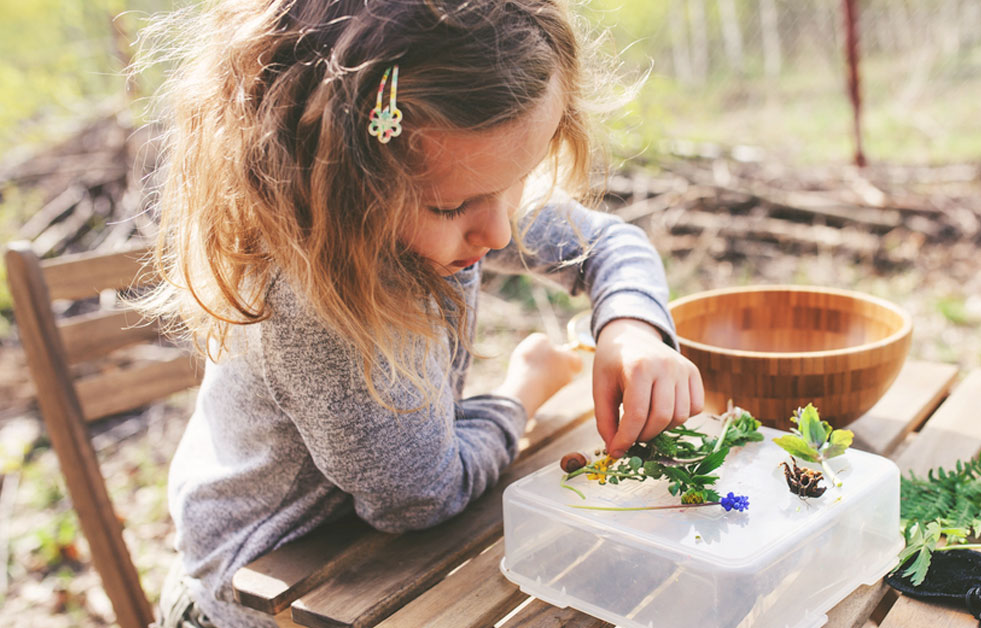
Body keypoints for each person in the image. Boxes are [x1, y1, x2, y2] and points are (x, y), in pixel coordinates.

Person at [136, 0, 704, 626]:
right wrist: (522, 393)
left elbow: (609, 243)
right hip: (268, 597)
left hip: (379, 549)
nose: (497, 230)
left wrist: (634, 328)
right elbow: (420, 498)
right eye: (450, 208)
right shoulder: (315, 311)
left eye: (517, 179)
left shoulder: (458, 187)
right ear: (339, 186)